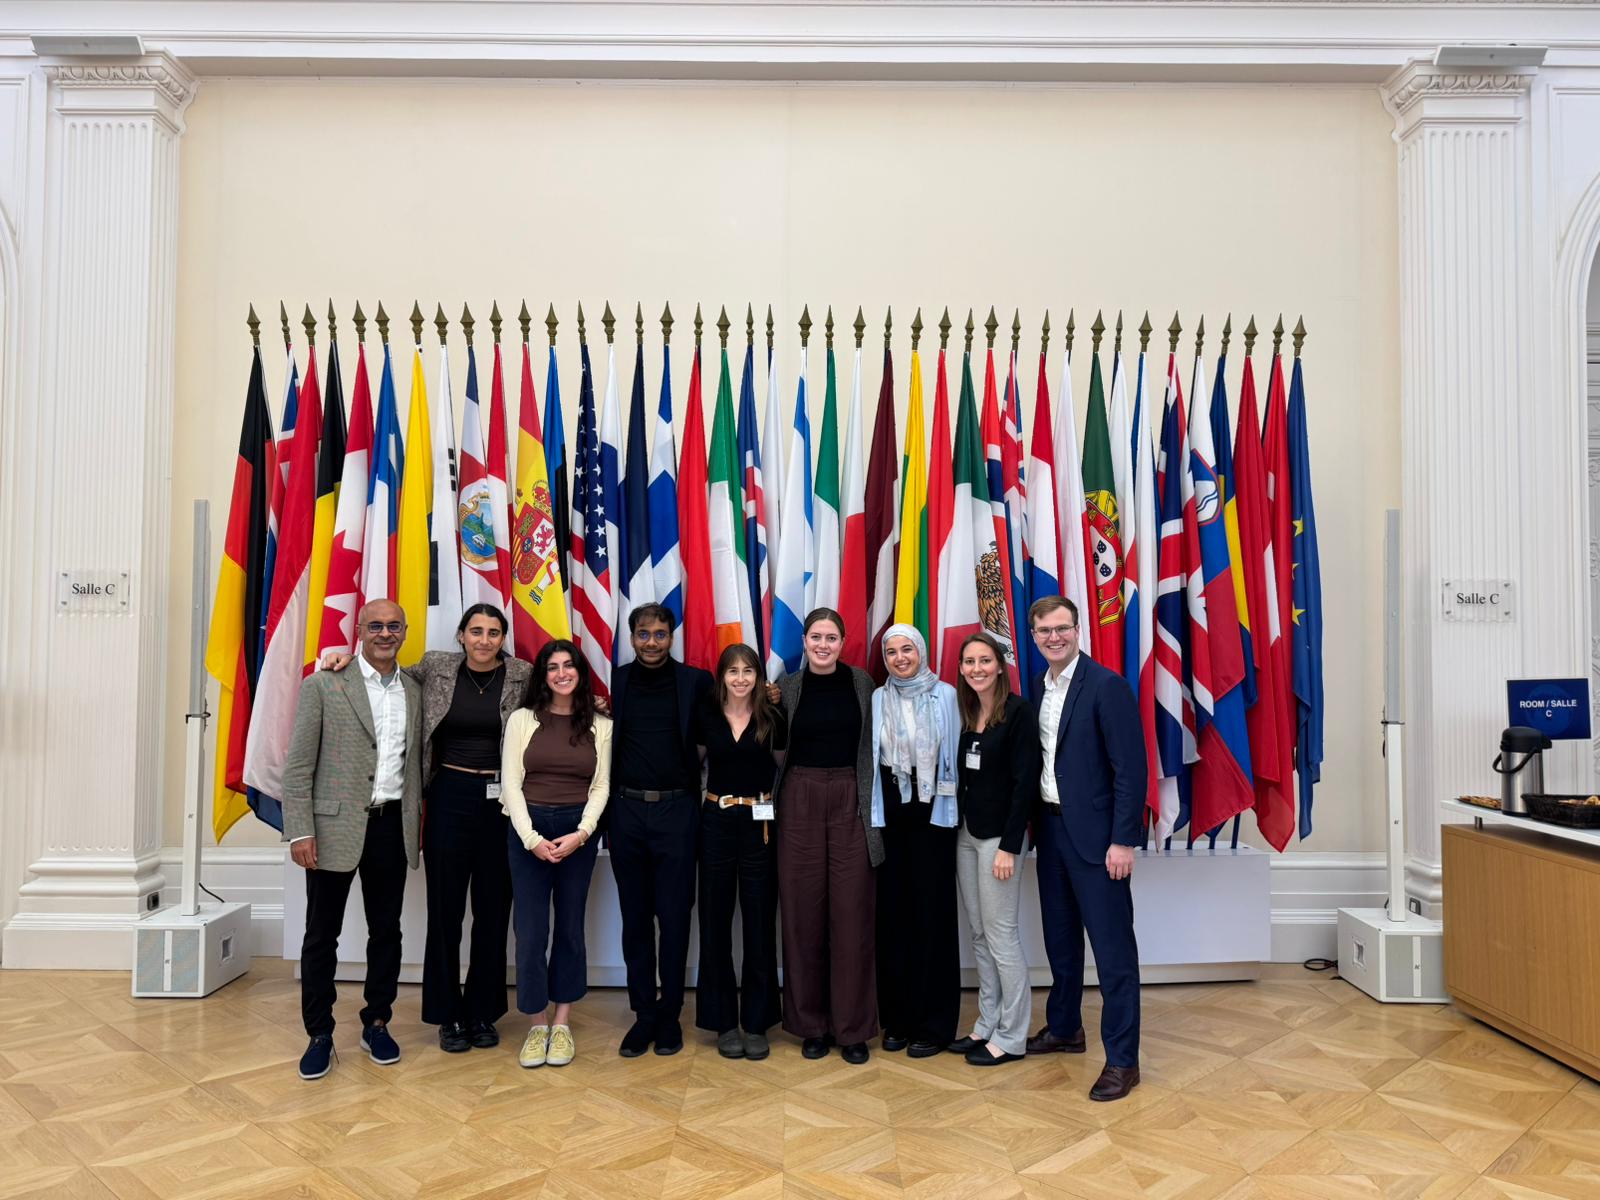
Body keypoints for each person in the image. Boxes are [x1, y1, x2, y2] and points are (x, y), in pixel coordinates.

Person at [322, 604, 533, 1053]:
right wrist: (338, 658)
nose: (484, 640)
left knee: (494, 913)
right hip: (447, 798)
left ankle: (482, 1012)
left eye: (494, 633)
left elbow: (555, 704)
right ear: (460, 635)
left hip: (502, 804)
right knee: (445, 911)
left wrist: (592, 705)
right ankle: (447, 1014)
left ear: (503, 639)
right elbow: (382, 673)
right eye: (475, 631)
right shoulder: (436, 667)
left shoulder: (521, 674)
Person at [283, 599, 422, 1081]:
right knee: (323, 934)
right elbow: (299, 764)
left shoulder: (414, 689)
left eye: (393, 626)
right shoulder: (324, 683)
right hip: (330, 828)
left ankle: (377, 1022)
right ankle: (319, 1033)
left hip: (390, 826)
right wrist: (300, 829)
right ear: (359, 630)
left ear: (405, 632)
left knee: (387, 932)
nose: (385, 633)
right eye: (376, 626)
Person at [1026, 595, 1147, 1101]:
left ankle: (1122, 1060)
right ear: (1033, 637)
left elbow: (1131, 769)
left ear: (1078, 630)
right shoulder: (1038, 687)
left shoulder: (1106, 686)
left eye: (1062, 629)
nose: (1054, 638)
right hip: (1051, 833)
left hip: (1099, 842)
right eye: (1044, 632)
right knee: (1060, 940)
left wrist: (1123, 839)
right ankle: (1064, 1027)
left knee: (1113, 951)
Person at [774, 607, 880, 1065]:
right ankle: (811, 1025)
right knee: (802, 914)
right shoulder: (787, 688)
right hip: (798, 796)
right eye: (815, 637)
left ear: (842, 641)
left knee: (852, 913)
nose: (822, 645)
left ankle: (852, 1028)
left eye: (831, 637)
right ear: (804, 640)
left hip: (850, 798)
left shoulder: (863, 684)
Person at [609, 603, 714, 1057]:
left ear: (673, 637)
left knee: (673, 918)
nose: (651, 643)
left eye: (660, 634)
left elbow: (723, 728)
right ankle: (643, 1015)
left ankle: (670, 1016)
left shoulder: (695, 681)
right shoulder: (616, 682)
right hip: (627, 812)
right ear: (632, 638)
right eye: (643, 634)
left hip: (678, 812)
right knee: (635, 920)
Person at [501, 639, 613, 1068]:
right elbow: (511, 782)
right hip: (527, 832)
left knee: (569, 929)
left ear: (580, 672)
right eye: (552, 667)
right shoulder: (522, 720)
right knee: (530, 934)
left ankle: (562, 1023)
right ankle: (536, 1024)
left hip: (576, 834)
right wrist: (531, 839)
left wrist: (582, 834)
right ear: (542, 675)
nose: (561, 673)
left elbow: (601, 785)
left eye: (569, 666)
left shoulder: (600, 724)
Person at [870, 623, 961, 1058]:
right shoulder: (876, 698)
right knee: (894, 919)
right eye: (891, 652)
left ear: (921, 652)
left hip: (934, 814)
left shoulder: (945, 695)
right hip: (892, 811)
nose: (900, 658)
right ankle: (898, 1019)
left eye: (907, 649)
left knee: (934, 917)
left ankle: (935, 1024)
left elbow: (958, 754)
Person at [951, 631, 1040, 1066]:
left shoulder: (1019, 712)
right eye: (969, 662)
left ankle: (1012, 1035)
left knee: (1002, 935)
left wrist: (1009, 845)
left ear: (1000, 665)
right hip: (967, 833)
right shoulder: (967, 710)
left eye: (984, 661)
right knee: (980, 935)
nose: (977, 669)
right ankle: (986, 1024)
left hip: (1000, 841)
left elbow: (1026, 784)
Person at [694, 642, 785, 1059]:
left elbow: (784, 768)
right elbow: (692, 764)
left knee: (759, 923)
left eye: (748, 670)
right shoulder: (707, 714)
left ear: (759, 677)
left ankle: (755, 1021)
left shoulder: (773, 716)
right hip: (715, 820)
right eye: (733, 671)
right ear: (722, 676)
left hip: (759, 825)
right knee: (714, 921)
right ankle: (724, 1022)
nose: (741, 678)